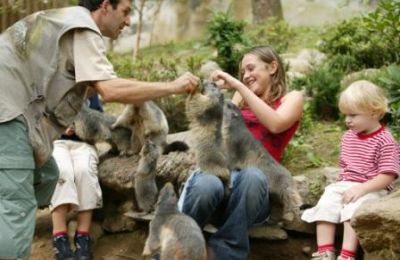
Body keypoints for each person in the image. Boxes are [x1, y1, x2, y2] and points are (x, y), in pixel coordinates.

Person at [0, 0, 199, 258]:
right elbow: (111, 90)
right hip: (7, 115)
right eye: (125, 12)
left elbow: (87, 83)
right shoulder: (83, 27)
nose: (128, 21)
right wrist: (173, 86)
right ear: (105, 6)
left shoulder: (65, 20)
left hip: (14, 114)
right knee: (17, 206)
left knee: (48, 176)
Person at [177, 46, 304, 259]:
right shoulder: (239, 96)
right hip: (221, 182)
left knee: (251, 176)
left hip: (252, 196)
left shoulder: (292, 98)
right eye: (242, 72)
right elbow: (216, 130)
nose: (246, 76)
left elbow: (276, 124)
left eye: (251, 69)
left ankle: (225, 254)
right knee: (208, 183)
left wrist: (237, 86)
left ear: (272, 67)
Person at [301, 80, 399, 260]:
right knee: (327, 202)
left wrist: (361, 189)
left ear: (374, 112)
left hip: (372, 188)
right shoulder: (348, 137)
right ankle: (325, 251)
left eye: (353, 115)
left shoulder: (386, 141)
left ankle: (347, 254)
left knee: (354, 210)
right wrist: (343, 188)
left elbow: (388, 176)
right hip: (346, 184)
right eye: (345, 115)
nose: (347, 120)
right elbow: (346, 168)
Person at [50, 95, 104, 260]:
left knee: (84, 172)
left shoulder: (91, 94)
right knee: (62, 171)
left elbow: (99, 123)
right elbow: (41, 119)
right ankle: (59, 236)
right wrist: (60, 128)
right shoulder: (51, 89)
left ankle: (83, 236)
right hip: (56, 142)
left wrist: (83, 131)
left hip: (84, 144)